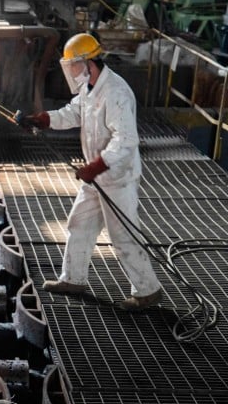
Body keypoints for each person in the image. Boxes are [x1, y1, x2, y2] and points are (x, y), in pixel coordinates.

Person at [19, 32, 163, 310]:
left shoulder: (116, 93)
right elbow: (73, 113)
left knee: (123, 235)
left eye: (74, 65)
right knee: (79, 225)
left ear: (89, 63)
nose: (71, 71)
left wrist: (95, 166)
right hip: (96, 177)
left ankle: (147, 291)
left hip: (116, 178)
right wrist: (43, 120)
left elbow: (126, 140)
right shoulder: (89, 89)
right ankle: (73, 279)